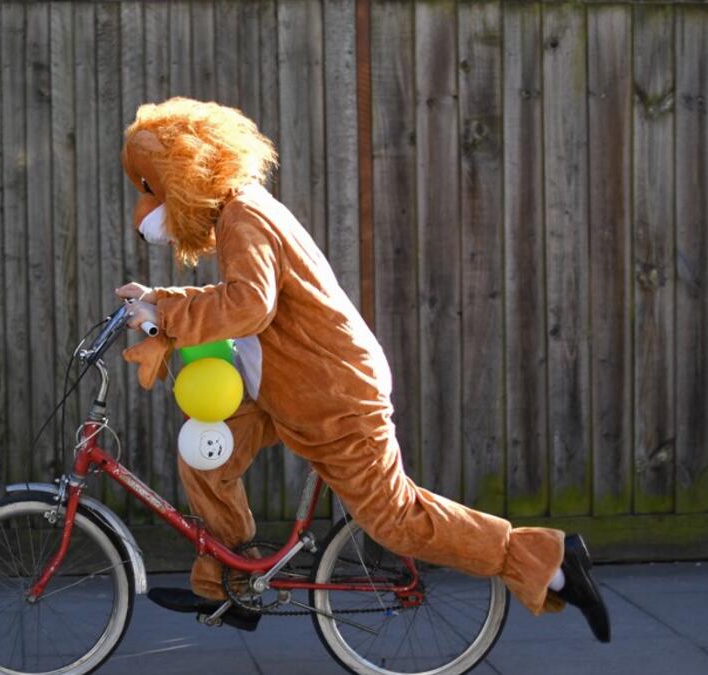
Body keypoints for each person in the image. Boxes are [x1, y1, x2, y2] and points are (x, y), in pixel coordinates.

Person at [114, 97, 610, 641]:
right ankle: (231, 584)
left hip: (332, 396)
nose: (147, 211)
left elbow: (249, 305)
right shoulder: (242, 210)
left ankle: (545, 562)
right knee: (207, 457)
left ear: (184, 174)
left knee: (395, 519)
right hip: (287, 386)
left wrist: (167, 315)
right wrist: (162, 299)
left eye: (151, 189)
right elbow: (248, 295)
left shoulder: (245, 217)